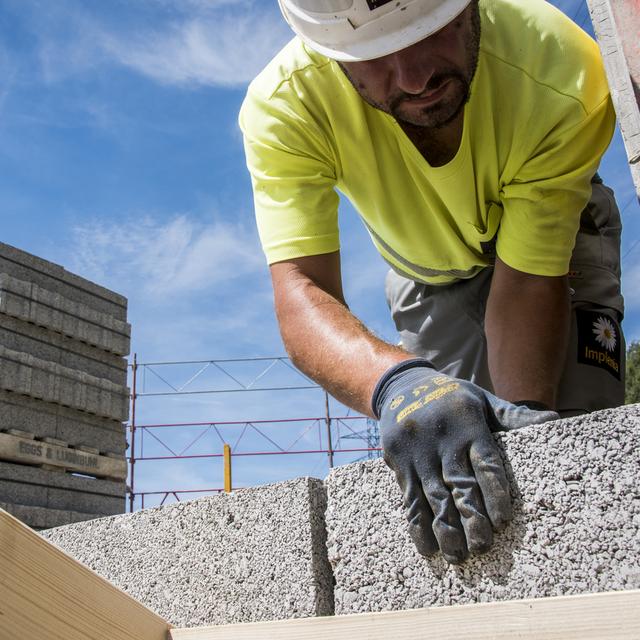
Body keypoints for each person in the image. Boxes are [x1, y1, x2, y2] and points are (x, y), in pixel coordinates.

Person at [239, 0, 625, 564]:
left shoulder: (560, 68)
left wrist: (529, 428)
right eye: (373, 58)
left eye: (431, 33)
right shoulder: (285, 105)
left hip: (556, 248)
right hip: (426, 270)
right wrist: (398, 384)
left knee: (564, 446)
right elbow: (303, 292)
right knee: (445, 438)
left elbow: (525, 281)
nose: (415, 77)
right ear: (329, 53)